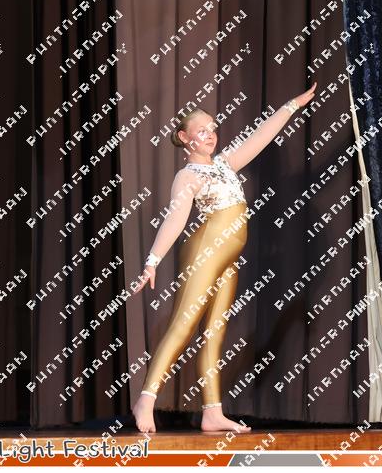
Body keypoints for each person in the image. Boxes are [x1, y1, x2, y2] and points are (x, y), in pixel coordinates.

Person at [131, 83, 318, 433]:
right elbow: (174, 220)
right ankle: (146, 399)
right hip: (205, 250)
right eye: (202, 131)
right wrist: (152, 261)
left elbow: (261, 136)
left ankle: (212, 411)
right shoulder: (187, 176)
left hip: (227, 257)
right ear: (184, 138)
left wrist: (291, 105)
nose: (211, 135)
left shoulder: (226, 164)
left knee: (215, 333)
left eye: (213, 128)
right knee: (183, 324)